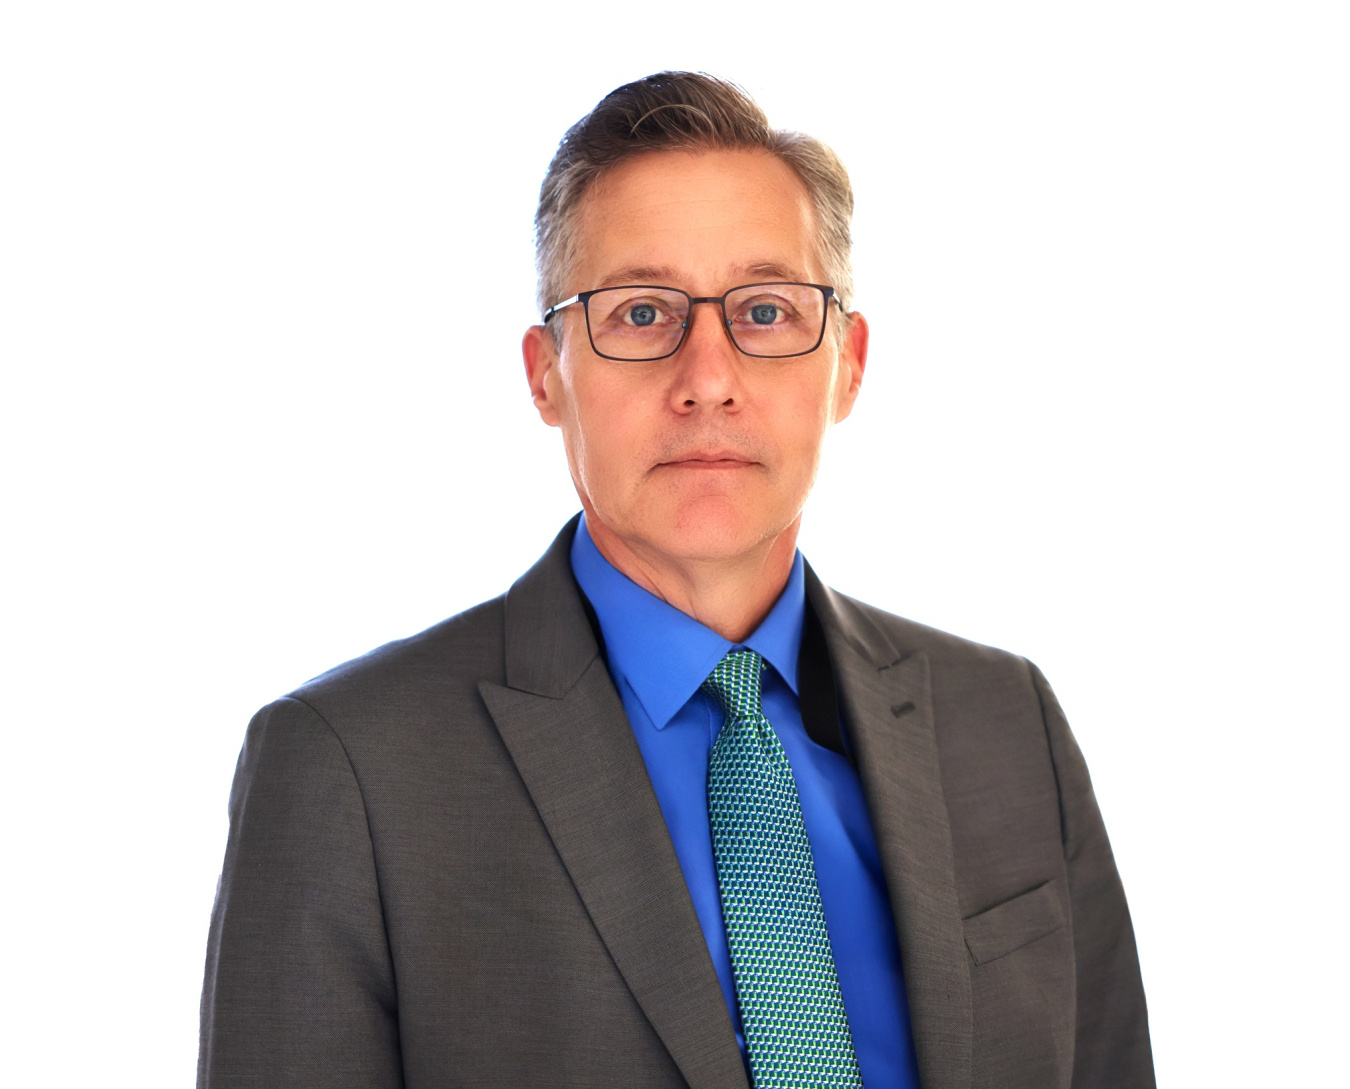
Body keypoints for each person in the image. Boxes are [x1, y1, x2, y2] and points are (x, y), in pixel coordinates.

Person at [198, 72, 1154, 1089]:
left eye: (767, 311)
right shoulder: (351, 769)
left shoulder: (1007, 722)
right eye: (643, 312)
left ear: (848, 362)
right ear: (545, 372)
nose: (708, 378)